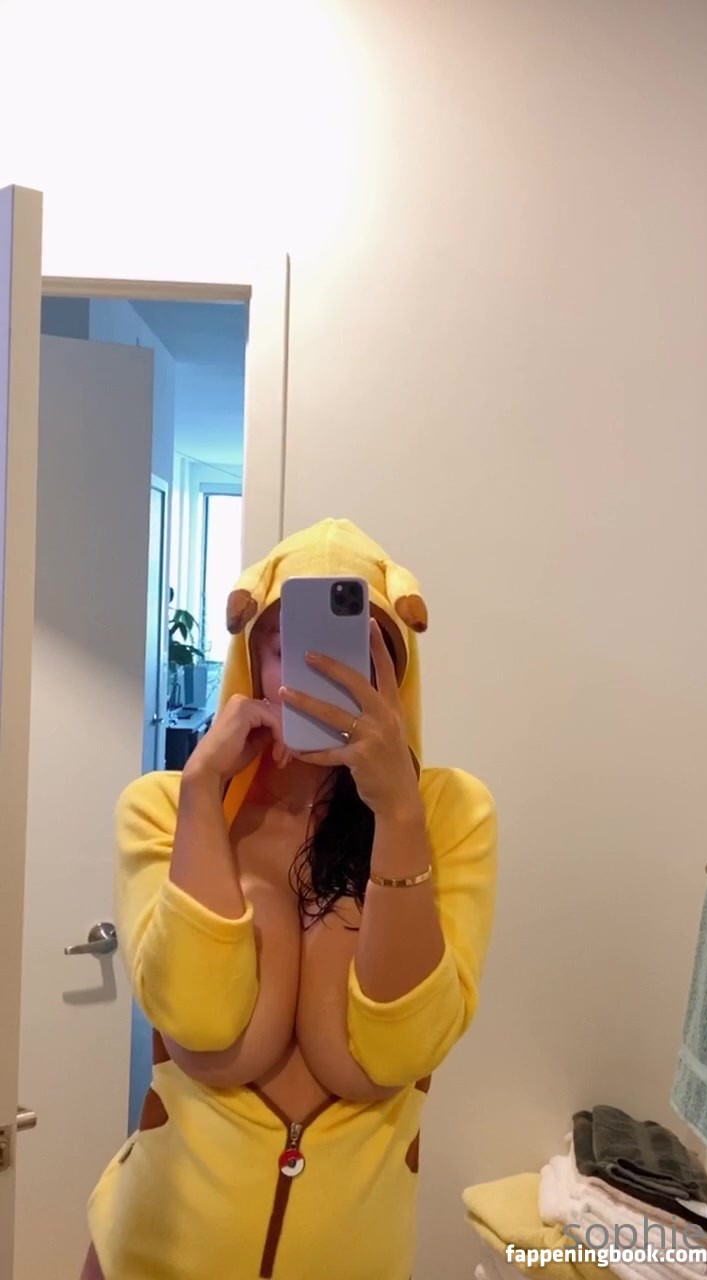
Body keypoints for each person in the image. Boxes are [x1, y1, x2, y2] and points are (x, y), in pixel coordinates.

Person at [81, 517, 498, 1280]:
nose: (319, 674)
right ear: (250, 663)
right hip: (148, 1252)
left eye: (356, 653)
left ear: (397, 677)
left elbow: (404, 1047)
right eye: (285, 647)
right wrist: (204, 794)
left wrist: (398, 814)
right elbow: (194, 1016)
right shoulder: (167, 806)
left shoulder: (449, 814)